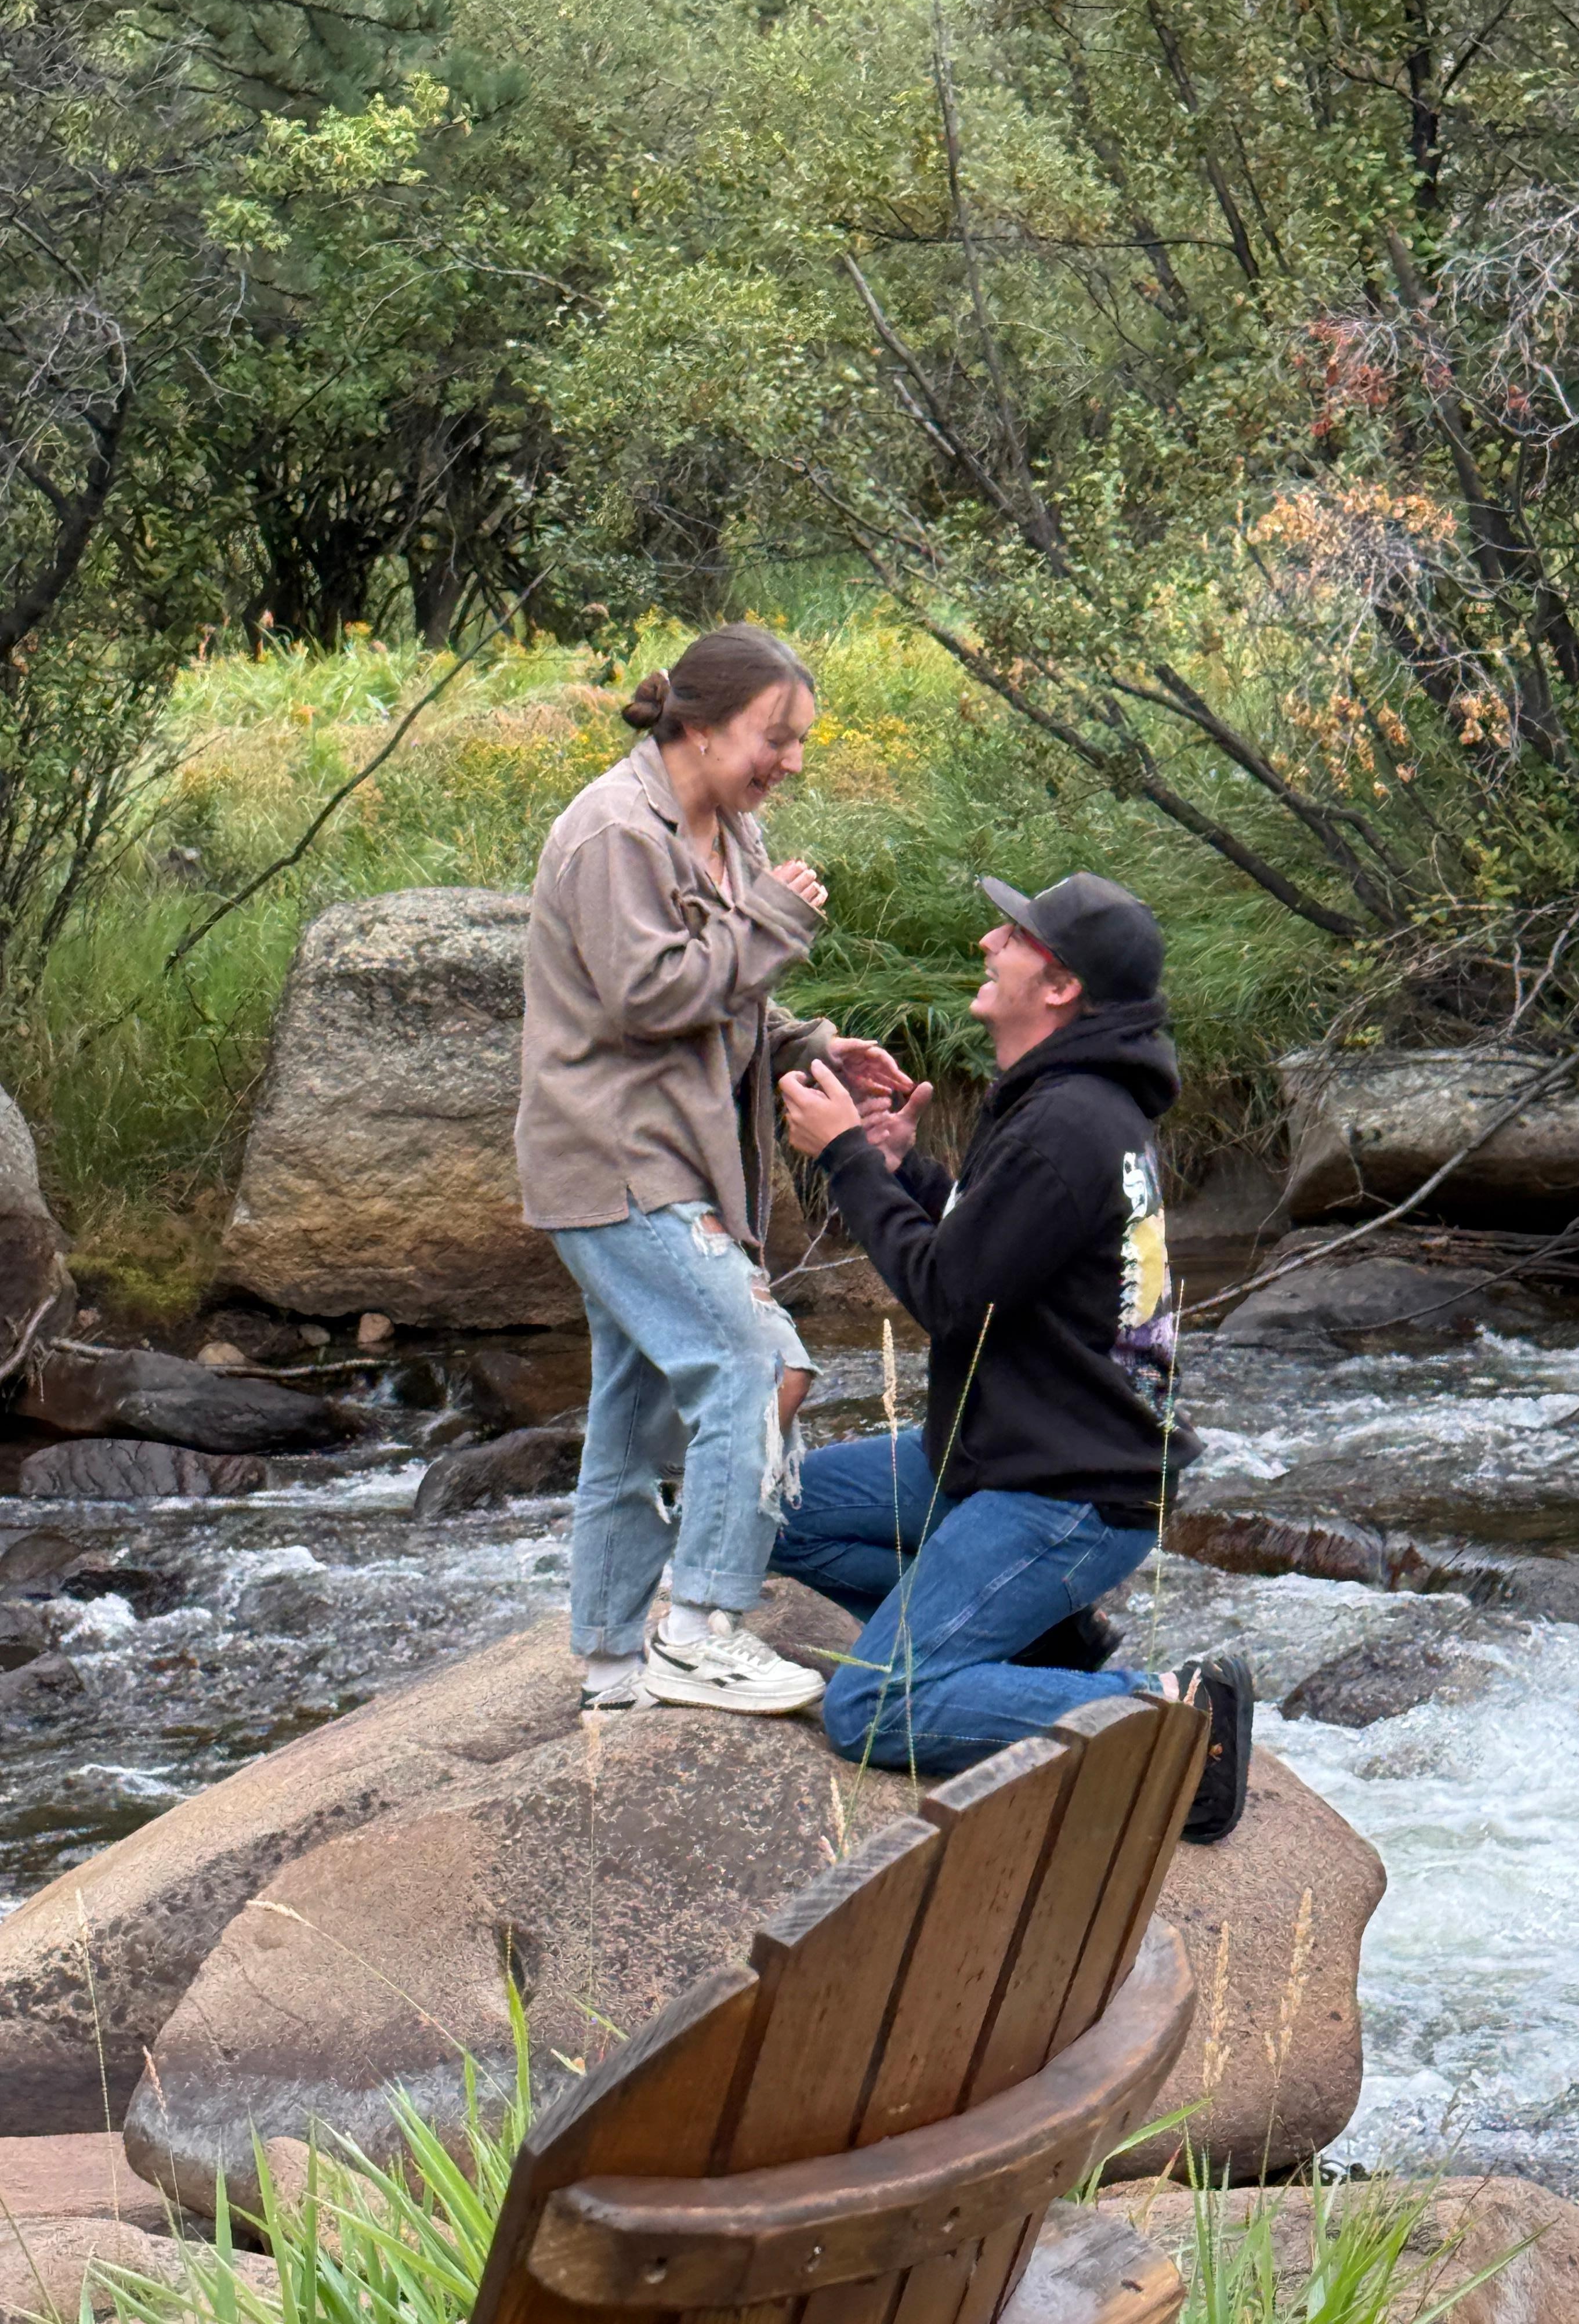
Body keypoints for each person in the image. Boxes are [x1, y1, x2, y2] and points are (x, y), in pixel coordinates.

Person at [774, 870, 1251, 1838]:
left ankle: (1169, 1712)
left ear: (1061, 985)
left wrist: (846, 1162)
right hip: (1002, 1455)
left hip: (1063, 1492)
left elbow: (951, 1297)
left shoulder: (1068, 1121)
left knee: (874, 1709)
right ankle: (1039, 1641)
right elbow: (996, 1249)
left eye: (1014, 936)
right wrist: (907, 1170)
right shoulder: (1067, 1106)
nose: (990, 944)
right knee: (772, 1512)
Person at [516, 624, 912, 1720]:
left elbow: (724, 996)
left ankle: (610, 1665)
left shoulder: (729, 829)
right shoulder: (612, 834)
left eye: (796, 741)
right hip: (618, 1168)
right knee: (757, 1363)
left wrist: (810, 1047)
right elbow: (651, 999)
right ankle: (700, 1628)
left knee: (632, 1418)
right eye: (774, 737)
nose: (789, 760)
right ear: (697, 725)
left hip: (678, 1168)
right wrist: (776, 918)